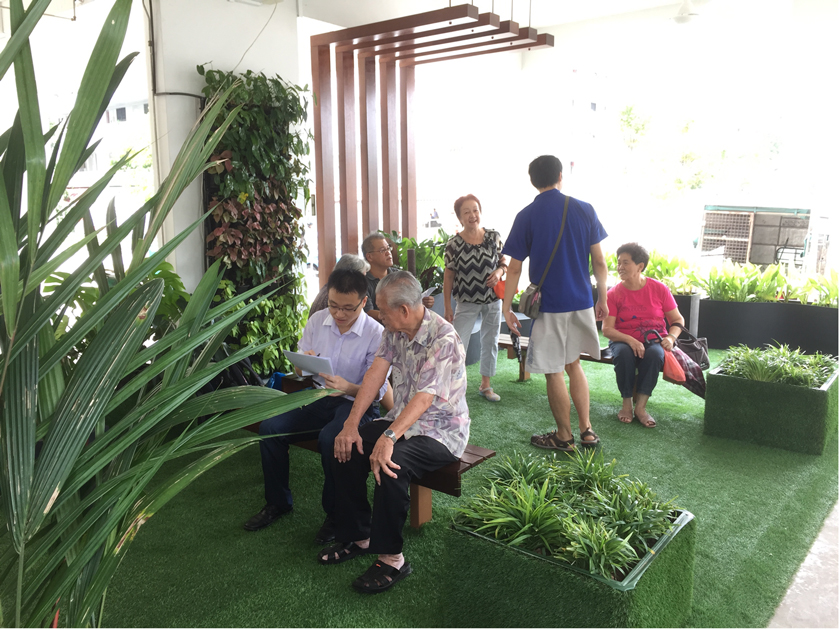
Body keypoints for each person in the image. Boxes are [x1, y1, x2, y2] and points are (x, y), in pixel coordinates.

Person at [317, 271, 469, 594]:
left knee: (392, 462)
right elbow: (375, 374)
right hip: (401, 420)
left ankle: (391, 558)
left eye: (382, 310)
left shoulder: (444, 338)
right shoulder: (394, 330)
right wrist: (351, 424)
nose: (377, 315)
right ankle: (358, 535)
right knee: (346, 444)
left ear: (403, 310)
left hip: (441, 431)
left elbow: (425, 399)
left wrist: (388, 438)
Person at [244, 269, 387, 545]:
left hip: (356, 404)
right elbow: (299, 369)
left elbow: (378, 392)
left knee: (330, 440)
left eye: (348, 308)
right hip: (319, 396)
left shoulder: (376, 333)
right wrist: (303, 362)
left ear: (363, 302)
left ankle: (335, 515)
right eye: (333, 305)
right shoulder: (318, 320)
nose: (339, 313)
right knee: (270, 428)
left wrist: (348, 387)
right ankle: (277, 503)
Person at [502, 155, 609, 452]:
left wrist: (507, 307)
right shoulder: (585, 209)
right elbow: (599, 261)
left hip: (549, 305)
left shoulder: (526, 215)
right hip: (581, 301)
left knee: (553, 370)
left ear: (533, 181)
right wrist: (602, 297)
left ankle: (564, 436)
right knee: (574, 364)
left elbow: (514, 268)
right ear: (561, 175)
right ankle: (587, 430)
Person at [601, 243, 685, 428]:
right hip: (622, 339)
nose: (620, 267)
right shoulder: (613, 294)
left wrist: (671, 338)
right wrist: (631, 340)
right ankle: (626, 405)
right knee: (623, 353)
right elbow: (607, 329)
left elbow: (678, 320)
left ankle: (641, 408)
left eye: (625, 263)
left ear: (640, 266)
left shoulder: (659, 289)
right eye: (619, 262)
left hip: (654, 339)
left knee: (655, 354)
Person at [443, 194, 507, 402]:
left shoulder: (493, 237)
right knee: (458, 342)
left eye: (475, 210)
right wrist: (447, 306)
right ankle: (455, 386)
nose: (472, 215)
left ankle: (486, 385)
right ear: (459, 217)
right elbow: (449, 276)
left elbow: (504, 263)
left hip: (493, 299)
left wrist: (499, 272)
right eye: (467, 212)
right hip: (466, 301)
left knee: (490, 341)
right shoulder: (453, 244)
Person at [361, 232, 434, 322]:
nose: (388, 253)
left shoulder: (399, 276)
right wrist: (395, 316)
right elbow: (368, 312)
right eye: (382, 250)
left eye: (388, 248)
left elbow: (412, 301)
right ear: (369, 256)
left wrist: (423, 302)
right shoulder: (362, 281)